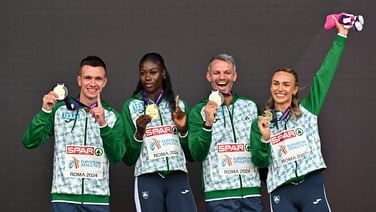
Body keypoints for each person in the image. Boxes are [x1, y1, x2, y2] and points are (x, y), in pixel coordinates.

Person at [250, 17, 349, 212]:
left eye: (286, 85)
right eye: (276, 84)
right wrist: (264, 139)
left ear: (295, 89)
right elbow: (259, 162)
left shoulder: (308, 110)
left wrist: (341, 36)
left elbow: (324, 76)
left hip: (310, 185)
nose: (280, 89)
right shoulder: (261, 122)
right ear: (271, 87)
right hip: (280, 191)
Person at [23, 55, 126, 212]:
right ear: (79, 80)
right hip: (64, 198)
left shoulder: (112, 116)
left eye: (98, 78)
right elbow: (29, 142)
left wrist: (103, 125)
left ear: (104, 82)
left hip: (97, 200)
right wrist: (45, 111)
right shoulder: (59, 110)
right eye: (88, 78)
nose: (92, 83)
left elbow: (117, 155)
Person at [121, 52, 197, 212]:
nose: (147, 77)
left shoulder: (179, 106)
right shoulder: (131, 106)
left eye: (153, 72)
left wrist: (183, 130)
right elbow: (128, 158)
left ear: (163, 73)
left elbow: (191, 155)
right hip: (148, 177)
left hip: (177, 176)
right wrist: (139, 134)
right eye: (143, 73)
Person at [188, 53, 264, 212]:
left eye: (227, 72)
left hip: (252, 194)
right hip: (218, 196)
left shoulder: (250, 106)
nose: (222, 77)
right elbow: (197, 154)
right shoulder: (198, 111)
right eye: (216, 73)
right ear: (208, 76)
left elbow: (260, 152)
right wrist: (207, 124)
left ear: (234, 76)